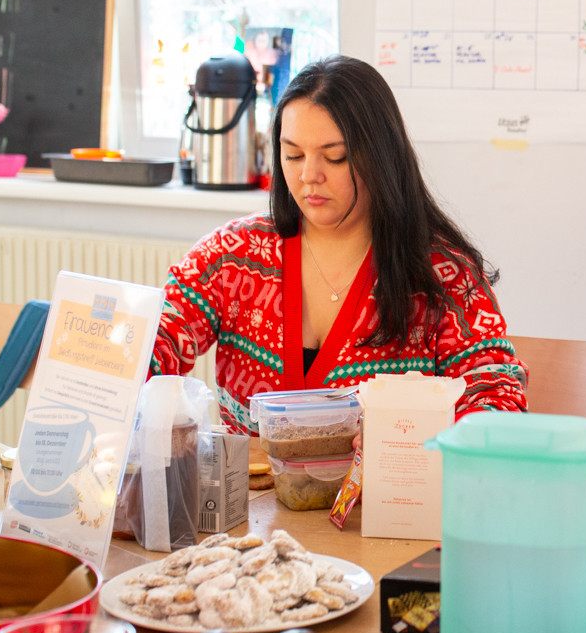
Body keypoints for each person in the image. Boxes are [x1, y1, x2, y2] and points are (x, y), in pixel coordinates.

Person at [151, 55, 526, 432]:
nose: (309, 176)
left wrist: (448, 446)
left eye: (335, 156)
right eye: (293, 154)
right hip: (251, 491)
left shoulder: (443, 274)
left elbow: (494, 389)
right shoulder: (232, 256)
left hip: (384, 490)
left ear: (380, 157)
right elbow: (157, 336)